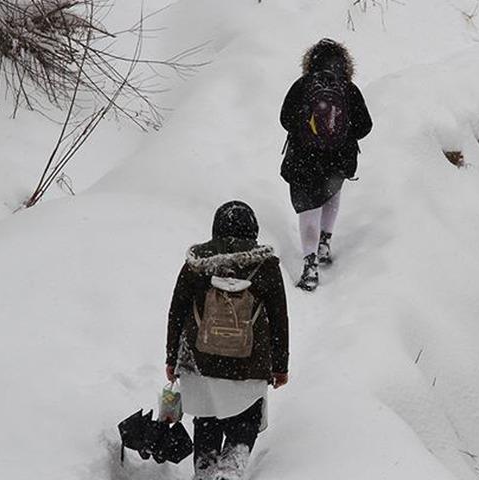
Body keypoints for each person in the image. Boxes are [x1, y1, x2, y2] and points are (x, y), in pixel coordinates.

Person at [165, 201, 289, 480]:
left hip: (199, 360)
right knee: (246, 418)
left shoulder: (196, 264)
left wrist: (172, 358)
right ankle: (230, 469)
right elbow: (279, 317)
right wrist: (280, 366)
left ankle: (205, 471)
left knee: (207, 418)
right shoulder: (265, 266)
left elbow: (177, 312)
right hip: (249, 362)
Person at [279, 38, 373, 291]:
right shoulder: (348, 89)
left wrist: (307, 131)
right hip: (337, 160)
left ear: (310, 62)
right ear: (344, 64)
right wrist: (340, 134)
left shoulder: (302, 85)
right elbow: (365, 126)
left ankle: (310, 265)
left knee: (308, 209)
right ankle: (325, 242)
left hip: (303, 160)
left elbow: (285, 119)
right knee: (331, 192)